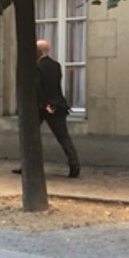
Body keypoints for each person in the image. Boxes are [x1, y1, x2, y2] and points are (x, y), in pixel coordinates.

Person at [29, 39, 81, 178]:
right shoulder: (56, 65)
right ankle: (74, 164)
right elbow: (55, 85)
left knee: (30, 136)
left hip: (43, 106)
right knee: (63, 137)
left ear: (38, 51)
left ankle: (28, 165)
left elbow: (38, 87)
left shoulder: (37, 66)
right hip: (58, 105)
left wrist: (45, 104)